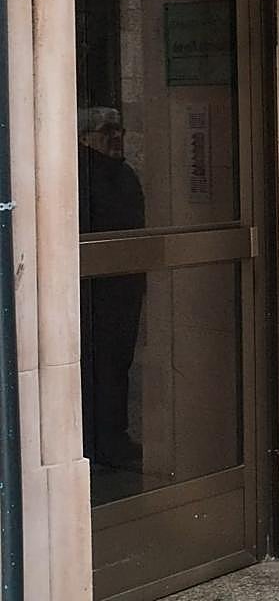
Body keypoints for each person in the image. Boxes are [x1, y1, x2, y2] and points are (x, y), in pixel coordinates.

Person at [78, 107, 146, 471]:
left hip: (123, 288)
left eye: (119, 129)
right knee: (97, 367)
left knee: (118, 365)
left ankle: (112, 437)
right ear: (85, 137)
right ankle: (97, 441)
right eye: (107, 130)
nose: (116, 137)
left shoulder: (123, 174)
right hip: (95, 293)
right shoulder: (81, 176)